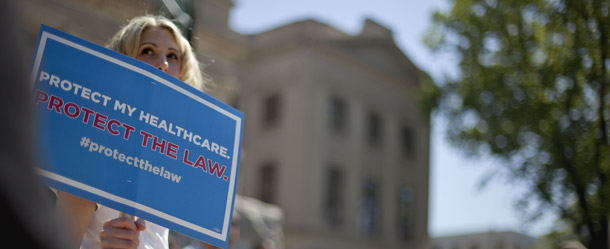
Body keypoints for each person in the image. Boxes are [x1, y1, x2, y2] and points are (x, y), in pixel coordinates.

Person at [55, 15, 208, 249]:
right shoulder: (93, 144)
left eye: (173, 56)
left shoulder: (166, 155)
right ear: (122, 61)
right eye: (148, 51)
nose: (163, 63)